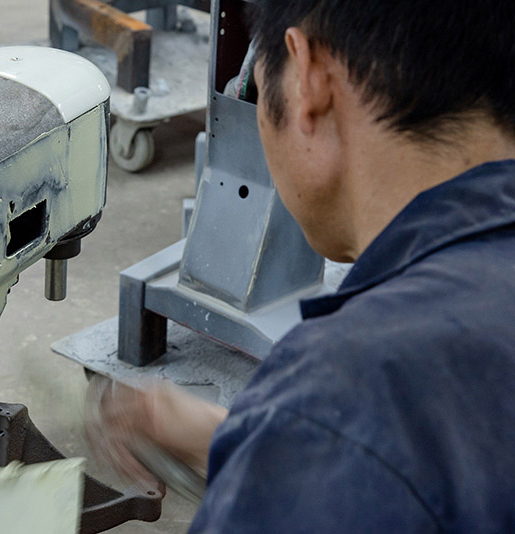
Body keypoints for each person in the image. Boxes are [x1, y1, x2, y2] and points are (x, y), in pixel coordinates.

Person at [86, 0, 515, 531]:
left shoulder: (339, 396)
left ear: (308, 81)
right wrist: (250, 438)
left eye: (261, 85)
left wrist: (294, 438)